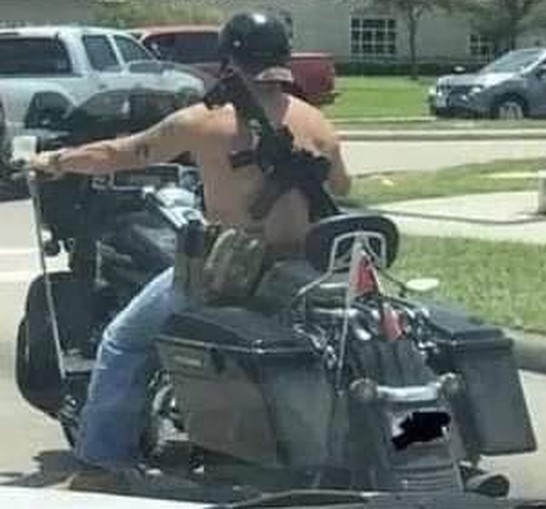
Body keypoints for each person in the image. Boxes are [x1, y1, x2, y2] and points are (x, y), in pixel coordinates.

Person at [29, 11, 351, 491]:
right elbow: (342, 186)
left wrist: (56, 160)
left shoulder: (205, 120)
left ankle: (102, 463)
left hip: (231, 271)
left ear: (229, 58)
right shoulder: (315, 121)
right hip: (301, 270)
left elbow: (122, 153)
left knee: (123, 341)